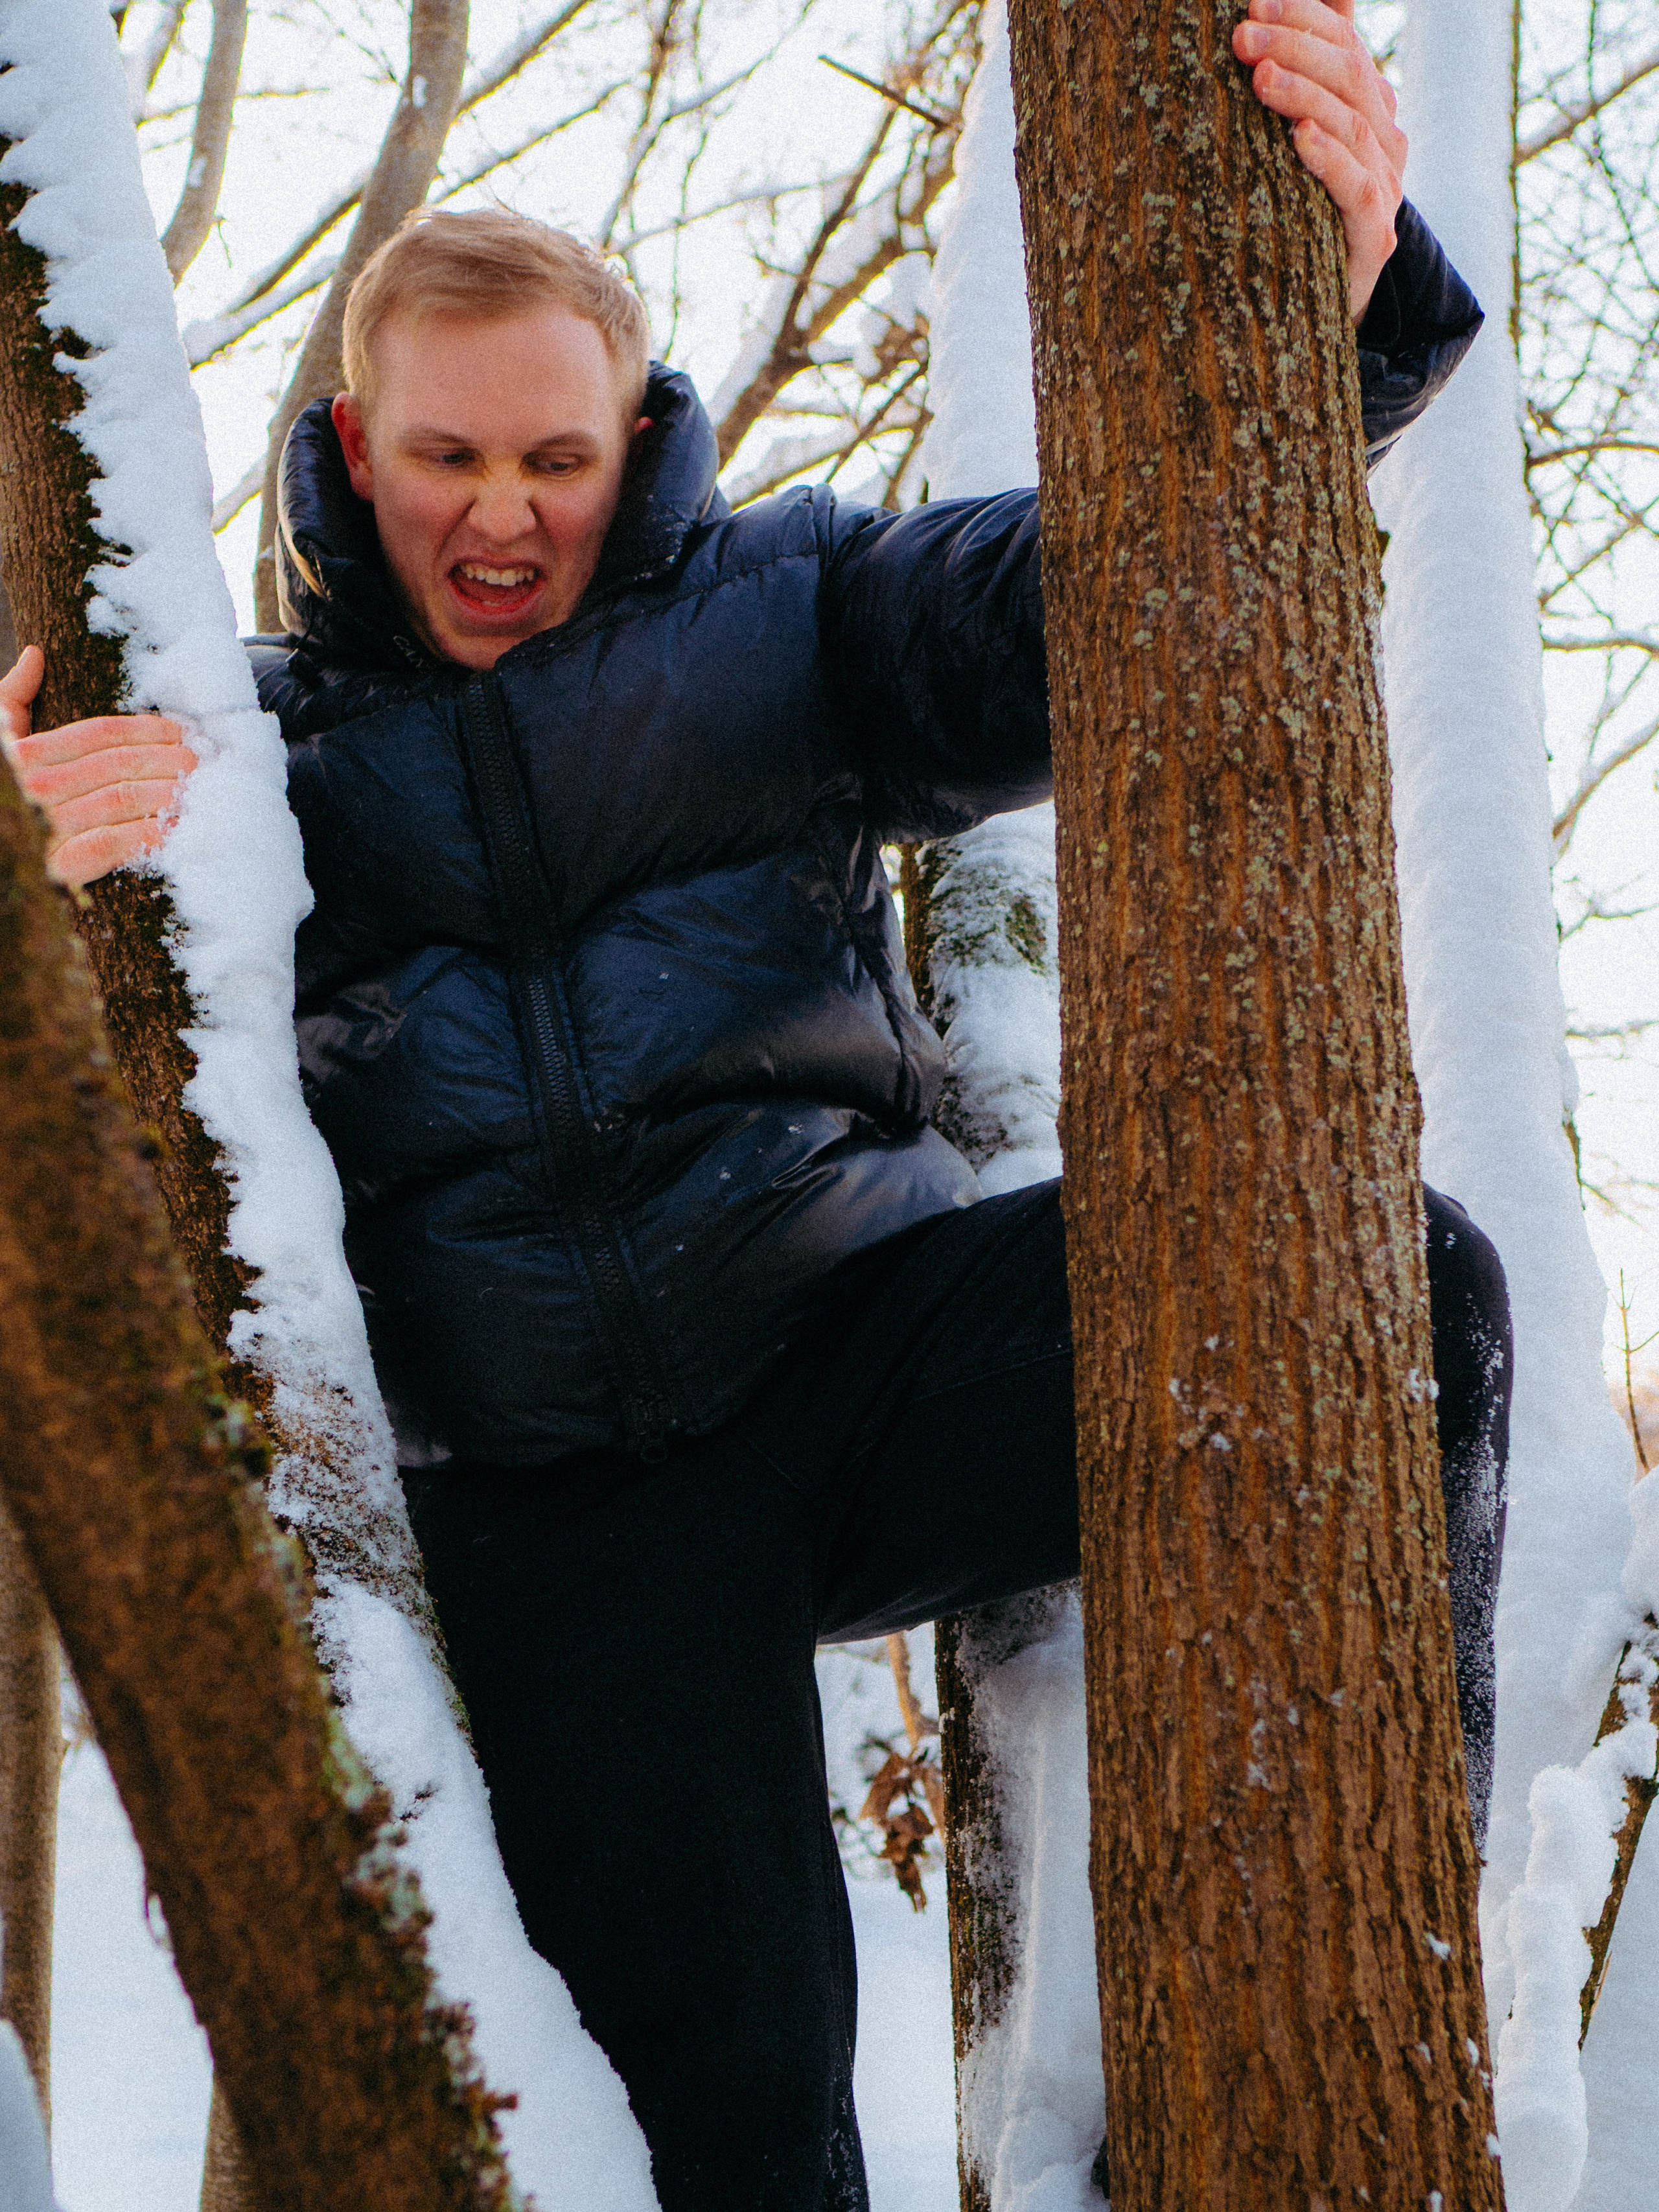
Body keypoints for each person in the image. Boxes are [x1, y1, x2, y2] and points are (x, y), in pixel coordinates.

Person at [1, 5, 1511, 2204]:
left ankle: (1397, 1951)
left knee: (1398, 1281)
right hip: (558, 1506)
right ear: (349, 442)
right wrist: (34, 866)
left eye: (557, 459)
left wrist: (1341, 300)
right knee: (732, 2131)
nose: (503, 516)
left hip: (853, 1348)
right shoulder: (239, 761)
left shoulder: (788, 619)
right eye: (446, 461)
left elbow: (1106, 565)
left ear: (640, 437)